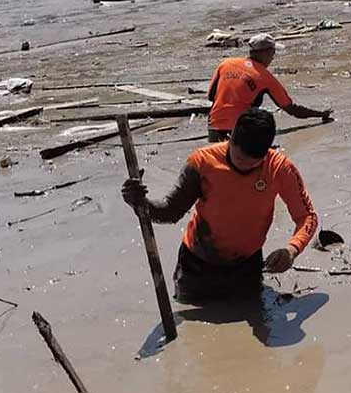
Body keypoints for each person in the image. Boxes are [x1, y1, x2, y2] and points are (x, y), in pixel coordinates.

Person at [121, 109, 318, 304]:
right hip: (197, 268)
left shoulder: (279, 168)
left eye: (254, 163)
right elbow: (170, 211)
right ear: (230, 138)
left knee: (249, 318)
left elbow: (307, 216)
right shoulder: (202, 162)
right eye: (240, 158)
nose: (244, 166)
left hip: (247, 267)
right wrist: (140, 203)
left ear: (266, 151)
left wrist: (292, 250)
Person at [206, 33, 331, 142]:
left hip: (213, 130)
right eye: (273, 52)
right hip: (240, 131)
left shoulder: (225, 64)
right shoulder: (264, 77)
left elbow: (211, 96)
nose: (273, 57)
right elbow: (291, 109)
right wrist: (320, 114)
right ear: (265, 53)